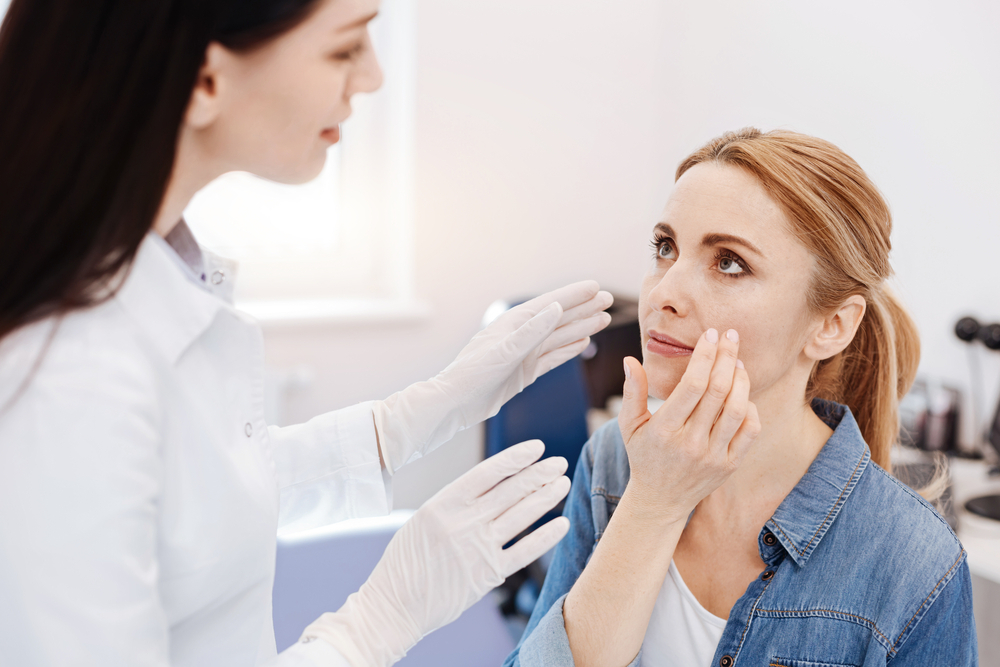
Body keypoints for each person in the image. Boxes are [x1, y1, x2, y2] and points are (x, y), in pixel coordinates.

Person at [0, 0, 615, 665]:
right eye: (345, 48)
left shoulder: (154, 278)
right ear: (206, 81)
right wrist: (374, 624)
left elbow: (195, 508)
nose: (374, 76)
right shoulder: (63, 378)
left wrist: (409, 420)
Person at [505, 128, 977, 667]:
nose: (662, 294)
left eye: (729, 262)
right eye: (665, 248)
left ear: (832, 325)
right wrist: (651, 505)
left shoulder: (917, 565)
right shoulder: (615, 460)